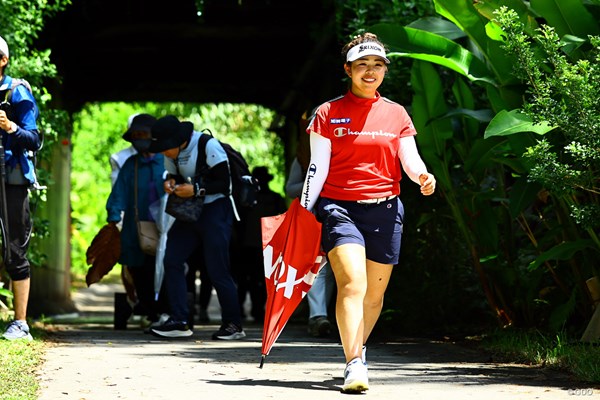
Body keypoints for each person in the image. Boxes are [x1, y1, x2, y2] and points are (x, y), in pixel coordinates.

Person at [299, 32, 436, 393]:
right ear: (348, 70)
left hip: (386, 210)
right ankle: (354, 364)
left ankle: (357, 349)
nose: (370, 71)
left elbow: (409, 157)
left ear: (385, 70)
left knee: (374, 297)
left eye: (377, 65)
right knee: (353, 284)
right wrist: (303, 212)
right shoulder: (328, 113)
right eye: (362, 65)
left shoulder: (396, 113)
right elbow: (317, 167)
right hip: (338, 208)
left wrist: (422, 175)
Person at [148, 115, 245, 340]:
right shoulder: (170, 153)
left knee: (217, 267)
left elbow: (225, 183)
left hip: (216, 209)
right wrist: (170, 182)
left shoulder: (206, 145)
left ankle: (233, 324)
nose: (164, 153)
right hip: (190, 212)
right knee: (171, 258)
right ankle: (179, 320)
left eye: (165, 148)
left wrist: (196, 189)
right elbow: (173, 174)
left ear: (178, 141)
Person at [105, 114, 169, 327]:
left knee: (166, 268)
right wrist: (113, 218)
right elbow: (119, 193)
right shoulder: (131, 165)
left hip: (166, 228)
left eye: (144, 134)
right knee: (138, 271)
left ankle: (167, 312)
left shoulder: (168, 161)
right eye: (136, 135)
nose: (139, 139)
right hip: (136, 228)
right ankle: (152, 312)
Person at [0, 35, 42, 341]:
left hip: (11, 181)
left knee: (14, 249)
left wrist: (10, 127)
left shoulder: (18, 92)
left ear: (3, 60)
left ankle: (21, 323)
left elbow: (35, 138)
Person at [285, 117, 336, 338]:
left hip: (342, 213)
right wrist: (313, 181)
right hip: (314, 217)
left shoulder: (345, 147)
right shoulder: (304, 155)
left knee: (337, 268)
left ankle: (329, 315)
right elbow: (290, 188)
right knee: (319, 267)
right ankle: (318, 316)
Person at [234, 166, 286, 322]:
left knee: (262, 280)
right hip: (247, 246)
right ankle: (241, 309)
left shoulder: (276, 199)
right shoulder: (245, 200)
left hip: (266, 247)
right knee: (244, 280)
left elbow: (283, 221)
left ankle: (258, 309)